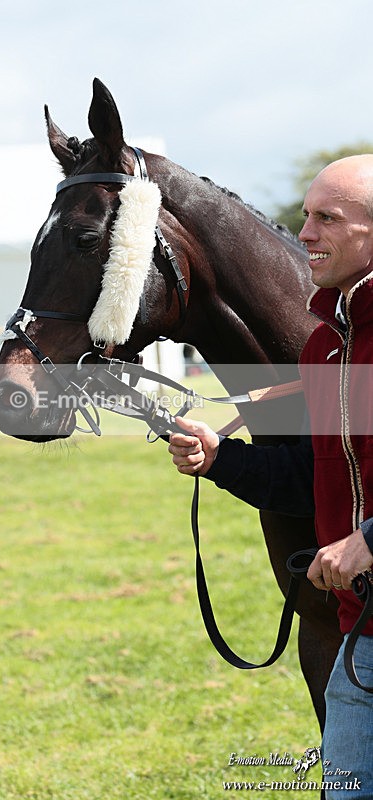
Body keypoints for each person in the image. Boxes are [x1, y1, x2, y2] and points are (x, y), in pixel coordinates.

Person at [168, 155, 373, 798]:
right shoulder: (326, 344)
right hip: (360, 640)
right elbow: (312, 478)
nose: (304, 232)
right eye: (306, 215)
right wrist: (219, 459)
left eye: (328, 218)